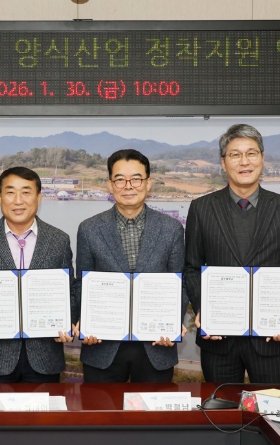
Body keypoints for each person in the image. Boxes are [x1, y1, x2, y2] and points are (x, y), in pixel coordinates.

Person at [184, 123, 280, 384]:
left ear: (262, 158)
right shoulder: (201, 208)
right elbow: (192, 267)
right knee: (219, 408)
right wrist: (204, 309)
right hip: (217, 338)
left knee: (272, 407)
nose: (244, 162)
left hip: (270, 339)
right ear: (223, 162)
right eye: (235, 154)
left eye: (251, 153)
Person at [73, 149, 188, 383]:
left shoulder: (171, 229)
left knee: (155, 408)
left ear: (148, 183)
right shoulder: (89, 229)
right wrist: (84, 322)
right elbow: (82, 284)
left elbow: (179, 282)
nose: (128, 186)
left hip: (156, 345)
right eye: (120, 180)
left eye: (136, 179)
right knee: (99, 406)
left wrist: (173, 324)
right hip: (102, 345)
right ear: (110, 184)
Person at [0, 167, 74, 383]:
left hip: (45, 356)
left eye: (26, 192)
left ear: (39, 197)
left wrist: (68, 321)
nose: (18, 200)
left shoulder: (59, 240)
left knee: (44, 407)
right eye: (10, 192)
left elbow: (70, 290)